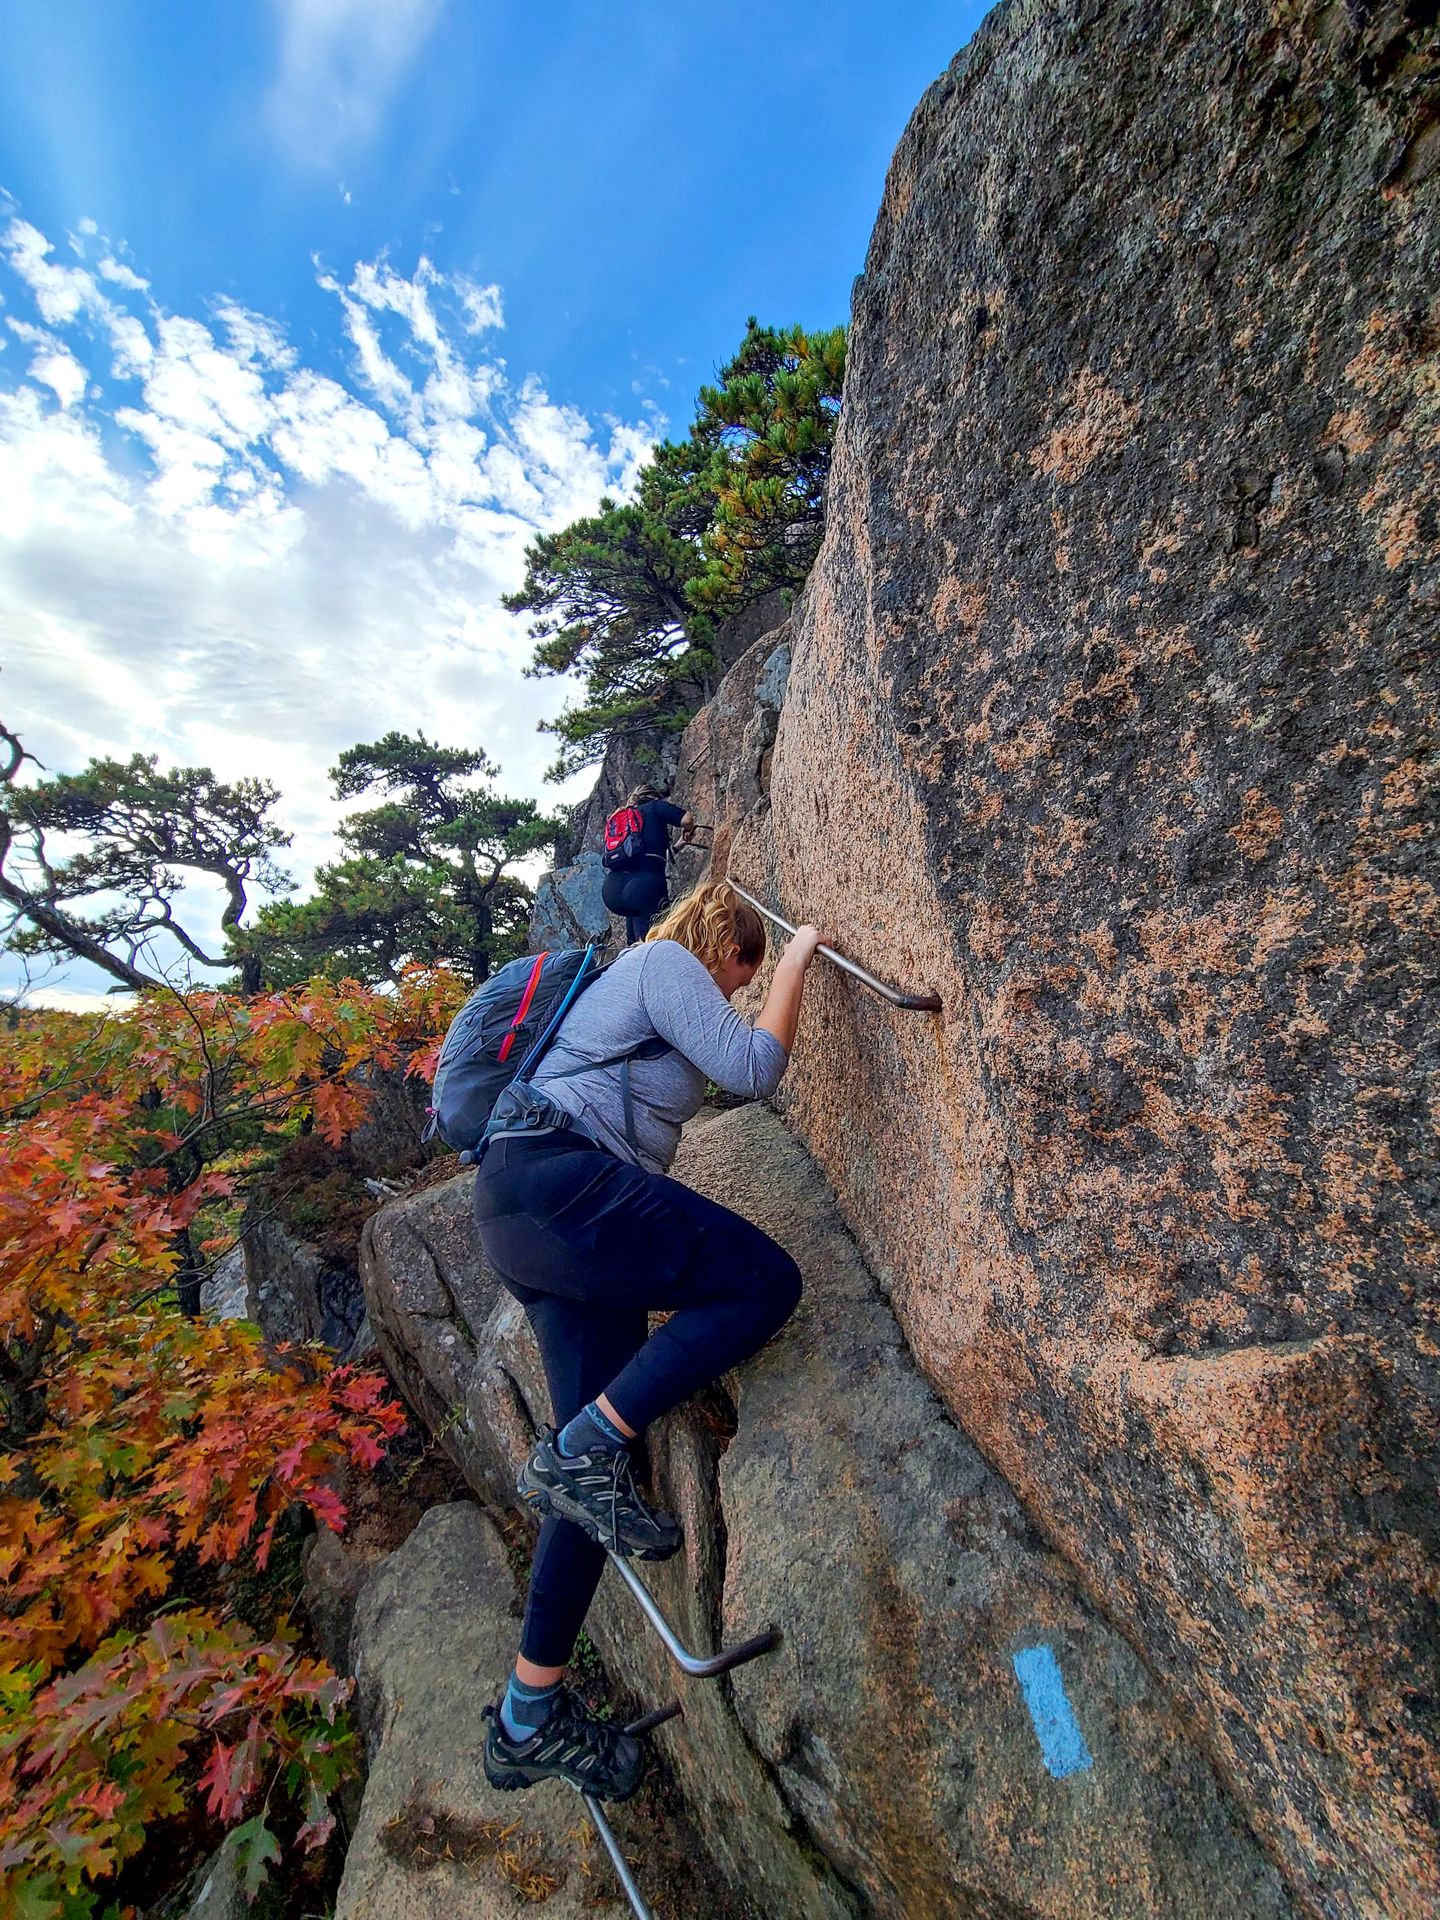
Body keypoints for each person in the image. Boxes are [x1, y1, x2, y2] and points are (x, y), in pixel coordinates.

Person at [473, 879, 823, 1800]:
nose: (737, 999)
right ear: (727, 949)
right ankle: (588, 1444)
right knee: (764, 1283)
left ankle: (525, 1715)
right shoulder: (664, 963)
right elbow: (752, 1068)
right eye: (742, 977)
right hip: (558, 1184)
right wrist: (796, 961)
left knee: (589, 1496)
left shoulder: (638, 991)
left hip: (536, 1212)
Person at [601, 784, 695, 944]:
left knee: (635, 941)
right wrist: (690, 828)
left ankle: (632, 948)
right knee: (659, 939)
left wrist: (679, 845)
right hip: (642, 888)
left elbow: (648, 858)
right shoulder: (655, 807)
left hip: (612, 892)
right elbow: (687, 819)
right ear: (654, 797)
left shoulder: (625, 821)